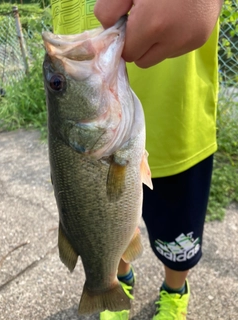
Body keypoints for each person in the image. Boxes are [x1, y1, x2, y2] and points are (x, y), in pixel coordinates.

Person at [50, 0, 223, 319]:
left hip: (179, 124)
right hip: (110, 131)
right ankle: (114, 281)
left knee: (178, 239)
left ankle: (175, 290)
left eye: (57, 84)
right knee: (101, 225)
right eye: (57, 84)